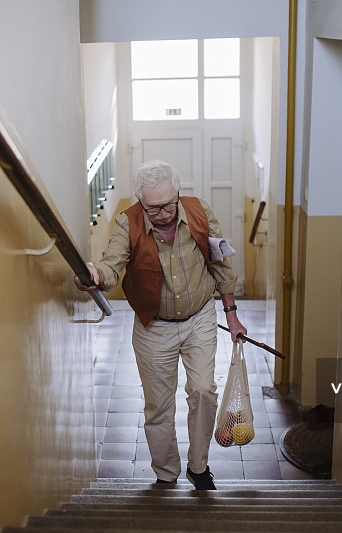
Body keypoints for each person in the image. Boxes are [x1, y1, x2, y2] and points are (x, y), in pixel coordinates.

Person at [74, 160, 247, 490]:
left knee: (202, 391)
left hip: (200, 318)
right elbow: (112, 266)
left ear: (177, 194)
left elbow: (220, 262)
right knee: (158, 407)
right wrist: (95, 275)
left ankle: (199, 466)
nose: (163, 213)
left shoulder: (199, 211)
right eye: (153, 208)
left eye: (168, 205)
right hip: (154, 327)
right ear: (141, 200)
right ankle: (166, 474)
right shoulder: (128, 223)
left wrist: (232, 314)